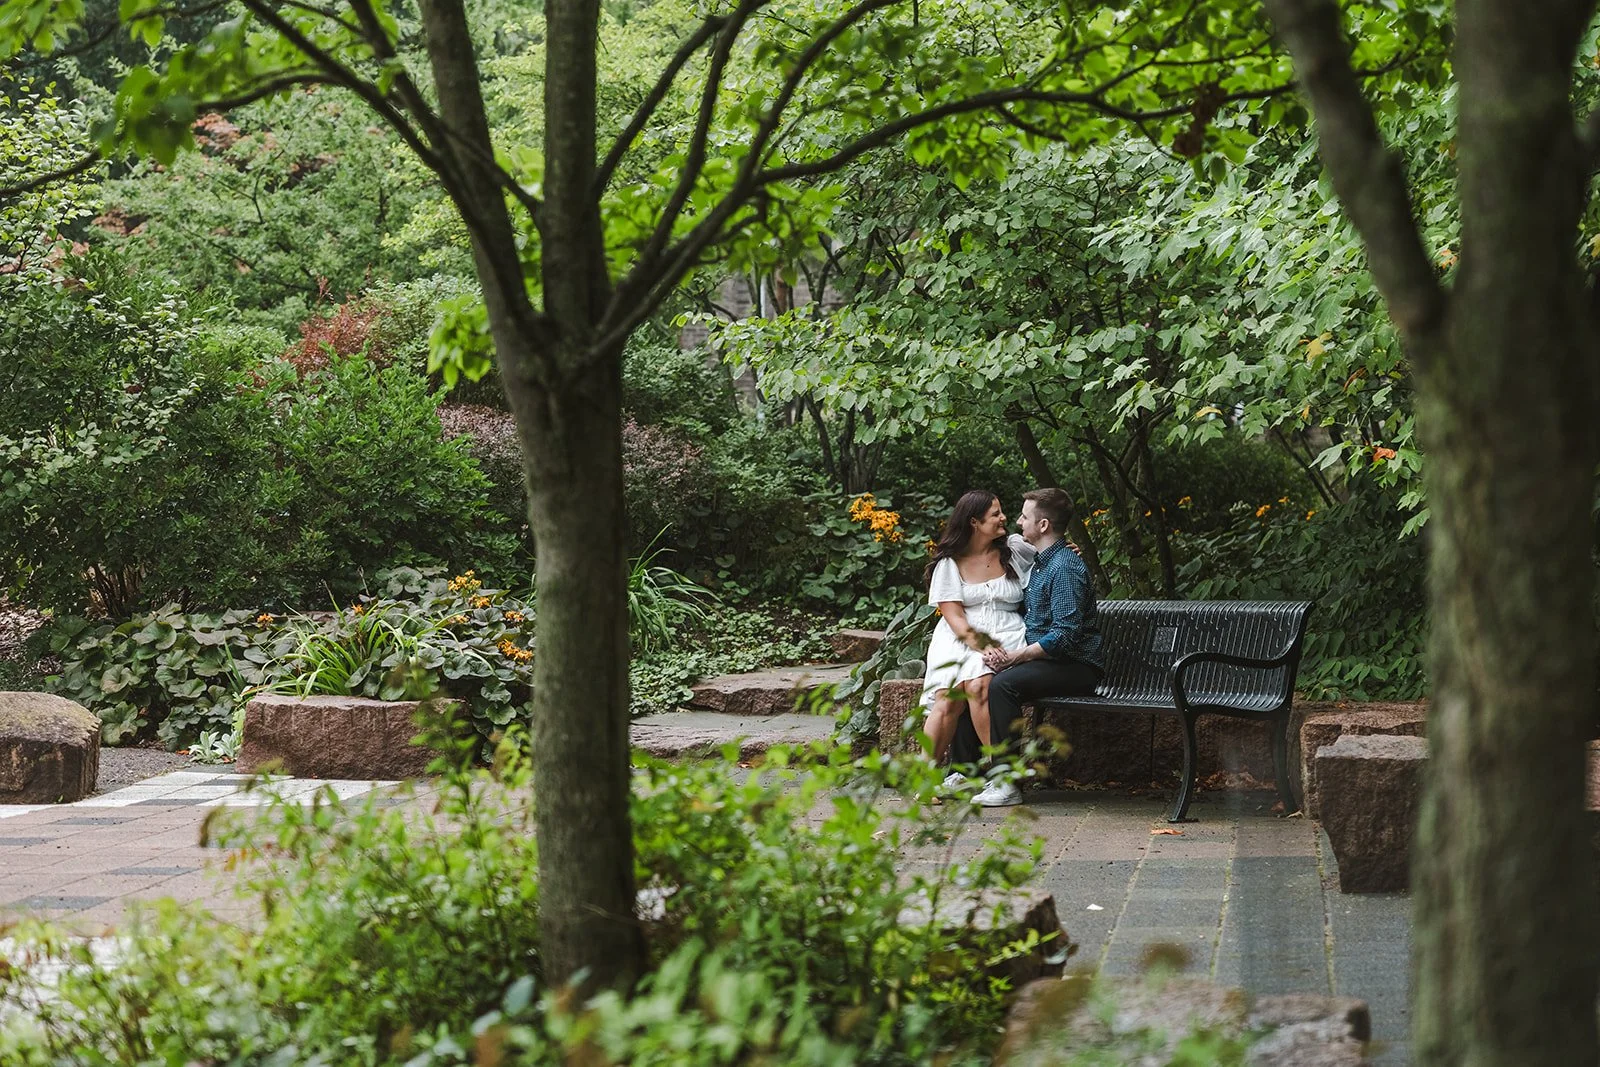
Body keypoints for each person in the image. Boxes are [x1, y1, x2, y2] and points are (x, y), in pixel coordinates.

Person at [957, 487, 1104, 807]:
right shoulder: (1041, 562)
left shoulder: (1063, 567)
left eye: (1025, 516)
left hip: (1076, 665)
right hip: (1052, 659)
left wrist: (1015, 657)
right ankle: (962, 770)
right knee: (975, 672)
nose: (1018, 521)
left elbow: (1065, 636)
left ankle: (1006, 783)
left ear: (1043, 526)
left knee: (1003, 685)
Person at [917, 490, 1037, 785]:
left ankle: (1000, 774)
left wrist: (1067, 551)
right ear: (974, 522)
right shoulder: (949, 563)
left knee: (980, 684)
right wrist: (981, 645)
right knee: (947, 699)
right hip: (960, 637)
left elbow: (1050, 558)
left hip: (1007, 632)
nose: (1003, 518)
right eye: (995, 514)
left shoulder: (1014, 549)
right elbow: (954, 616)